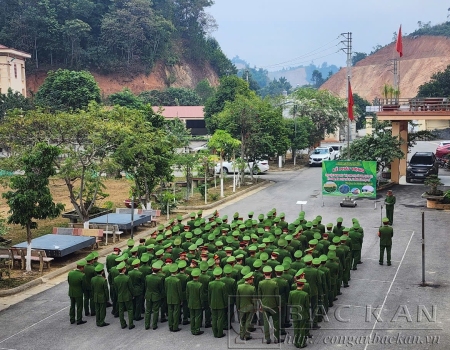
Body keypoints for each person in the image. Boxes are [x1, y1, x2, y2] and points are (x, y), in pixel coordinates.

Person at [288, 278, 310, 349]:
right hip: (303, 313)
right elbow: (307, 305)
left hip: (295, 313)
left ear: (296, 284)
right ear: (303, 285)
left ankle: (296, 342)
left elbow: (289, 303)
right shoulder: (305, 294)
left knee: (296, 328)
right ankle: (301, 343)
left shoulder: (291, 293)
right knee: (302, 328)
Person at [114, 261, 135, 329]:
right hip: (127, 296)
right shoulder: (127, 278)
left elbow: (116, 289)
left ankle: (122, 324)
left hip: (120, 296)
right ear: (123, 269)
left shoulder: (115, 279)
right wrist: (133, 294)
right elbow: (131, 288)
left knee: (121, 311)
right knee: (130, 310)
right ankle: (131, 324)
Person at [236, 272, 256, 341]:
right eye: (252, 279)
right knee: (248, 321)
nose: (253, 280)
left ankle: (241, 335)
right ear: (249, 279)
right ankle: (247, 335)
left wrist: (238, 307)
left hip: (241, 307)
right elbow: (254, 300)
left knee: (242, 321)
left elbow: (237, 298)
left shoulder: (239, 287)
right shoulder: (252, 288)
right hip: (250, 307)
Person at [208, 267, 227, 338]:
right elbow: (224, 296)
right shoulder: (223, 284)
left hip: (213, 303)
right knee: (220, 319)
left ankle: (215, 332)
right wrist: (225, 304)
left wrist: (209, 302)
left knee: (214, 318)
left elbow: (209, 295)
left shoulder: (210, 284)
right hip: (221, 304)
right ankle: (220, 333)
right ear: (220, 275)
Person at [68, 259, 87, 325]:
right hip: (78, 293)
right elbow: (84, 286)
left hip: (71, 292)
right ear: (82, 267)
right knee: (79, 307)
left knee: (72, 306)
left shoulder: (70, 273)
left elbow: (69, 281)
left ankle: (72, 319)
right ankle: (79, 320)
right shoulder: (82, 276)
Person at [186, 268, 204, 335]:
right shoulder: (200, 285)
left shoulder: (188, 284)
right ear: (198, 276)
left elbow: (187, 294)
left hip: (190, 302)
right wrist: (202, 304)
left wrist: (188, 301)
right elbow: (201, 296)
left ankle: (192, 329)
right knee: (197, 317)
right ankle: (197, 330)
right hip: (198, 303)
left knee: (192, 316)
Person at [165, 264, 182, 332]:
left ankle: (170, 325)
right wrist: (181, 299)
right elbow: (179, 291)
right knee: (176, 313)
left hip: (169, 297)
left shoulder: (166, 279)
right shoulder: (177, 280)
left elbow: (166, 289)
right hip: (176, 298)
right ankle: (175, 326)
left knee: (170, 312)